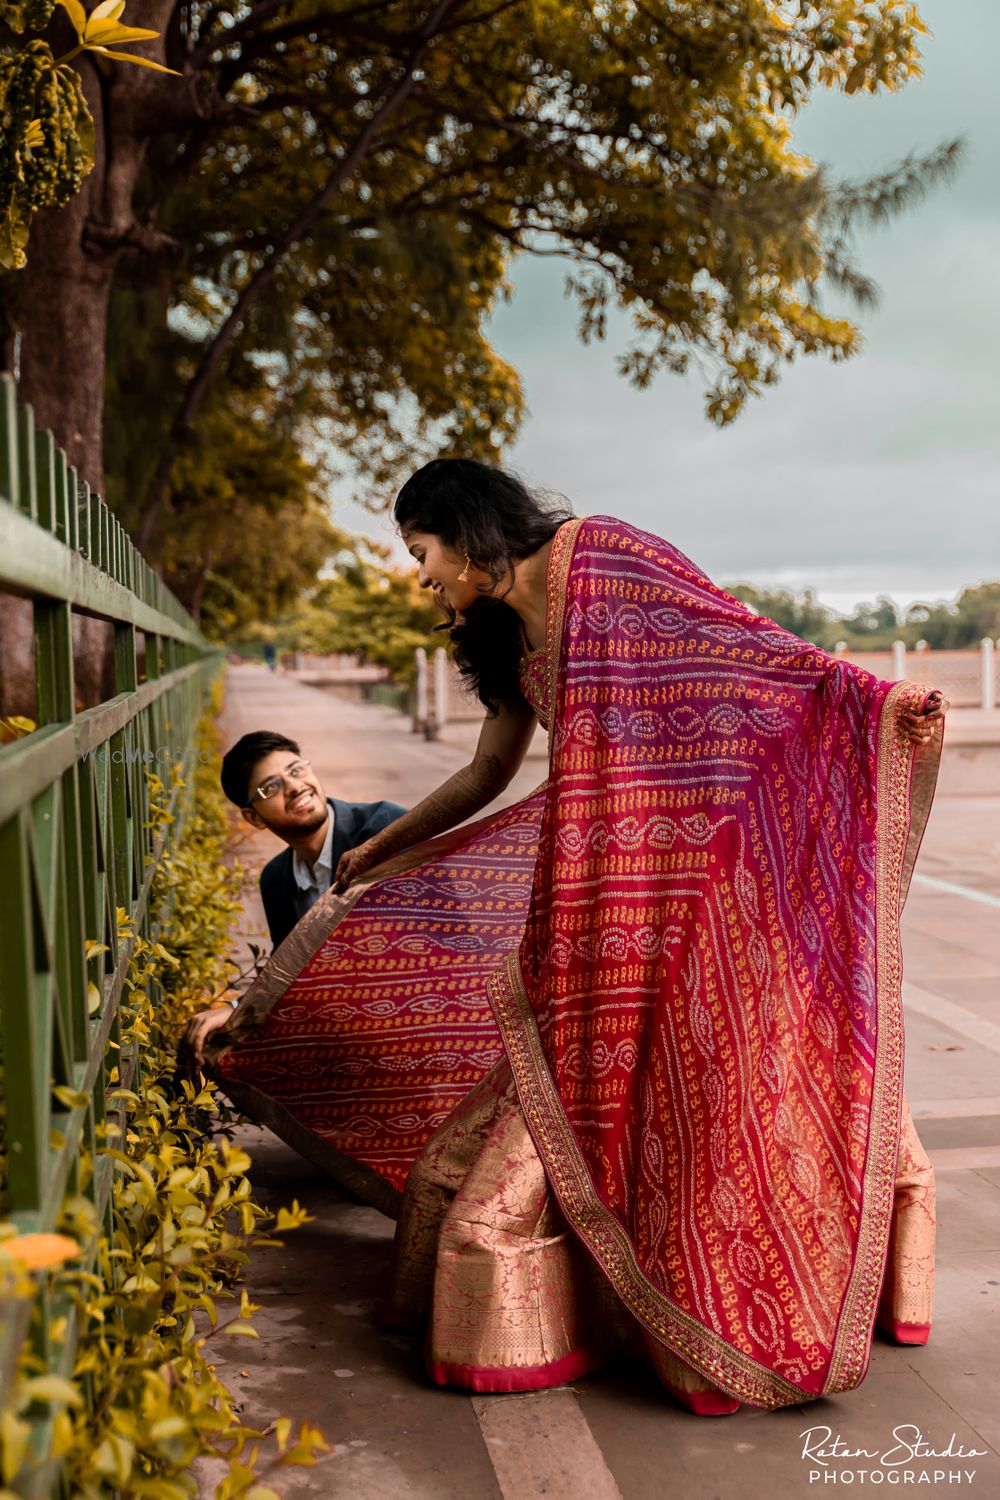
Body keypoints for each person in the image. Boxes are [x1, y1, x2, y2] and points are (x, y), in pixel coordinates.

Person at [184, 460, 947, 1414]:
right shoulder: (496, 635)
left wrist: (876, 702)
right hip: (589, 902)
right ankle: (581, 1302)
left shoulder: (612, 555)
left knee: (725, 1080)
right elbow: (486, 773)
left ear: (461, 530)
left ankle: (773, 1282)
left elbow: (752, 655)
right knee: (539, 1121)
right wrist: (378, 848)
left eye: (423, 554)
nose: (423, 578)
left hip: (693, 873)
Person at [183, 732, 405, 1063]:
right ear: (254, 817)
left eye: (296, 770)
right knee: (211, 1048)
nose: (295, 786)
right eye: (271, 787)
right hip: (341, 1037)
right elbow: (289, 971)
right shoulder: (276, 878)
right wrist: (233, 1010)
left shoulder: (385, 830)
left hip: (411, 1018)